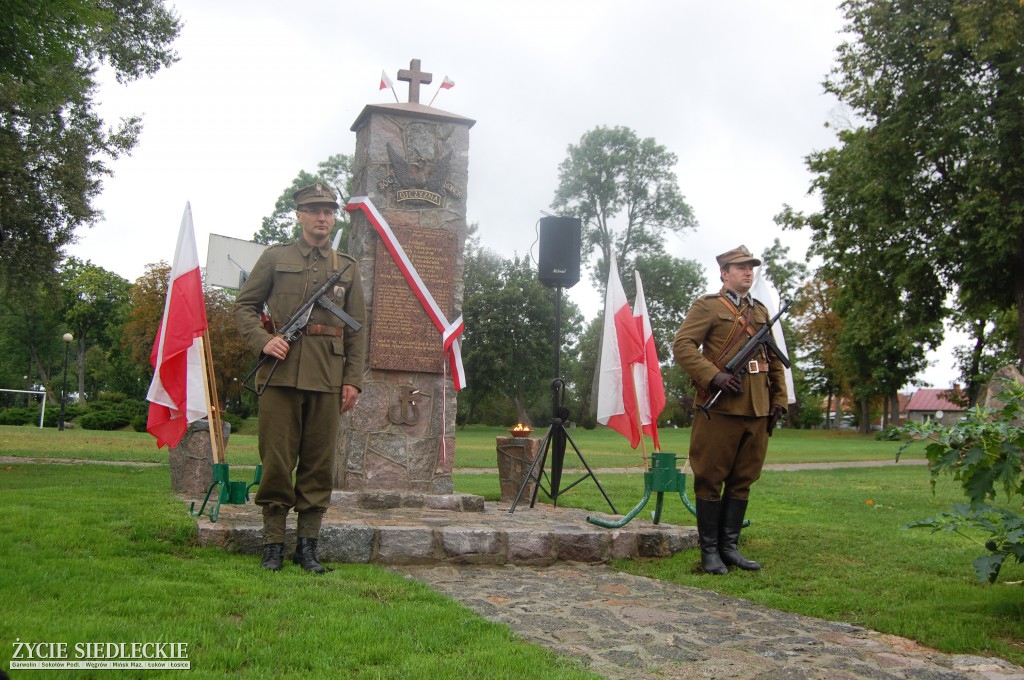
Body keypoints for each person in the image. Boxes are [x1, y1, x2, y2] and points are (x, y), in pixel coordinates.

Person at [232, 182, 367, 573]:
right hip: (281, 374)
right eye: (314, 210)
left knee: (319, 464)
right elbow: (244, 306)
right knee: (276, 461)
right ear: (299, 215)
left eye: (328, 210)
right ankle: (273, 542)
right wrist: (263, 340)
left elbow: (357, 330)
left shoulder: (346, 267)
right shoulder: (276, 258)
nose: (322, 217)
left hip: (328, 377)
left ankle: (307, 546)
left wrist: (352, 379)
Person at [672, 245, 787, 575]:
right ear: (724, 273)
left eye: (751, 267)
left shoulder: (762, 312)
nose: (748, 272)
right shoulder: (708, 307)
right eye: (740, 267)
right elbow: (682, 346)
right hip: (721, 408)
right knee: (710, 478)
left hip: (758, 408)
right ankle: (709, 552)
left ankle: (730, 547)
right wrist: (714, 375)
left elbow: (773, 359)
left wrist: (778, 400)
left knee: (743, 479)